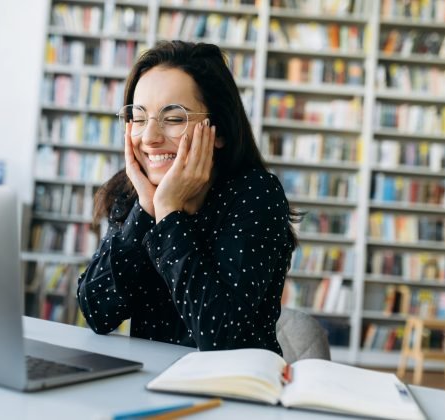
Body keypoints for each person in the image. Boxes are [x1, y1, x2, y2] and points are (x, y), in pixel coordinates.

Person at [76, 40, 299, 354]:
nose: (150, 138)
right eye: (139, 119)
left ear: (218, 131)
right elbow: (96, 312)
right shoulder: (135, 194)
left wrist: (168, 213)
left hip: (234, 391)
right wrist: (145, 209)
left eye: (174, 118)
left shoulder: (256, 194)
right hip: (148, 384)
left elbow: (220, 337)